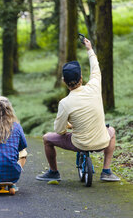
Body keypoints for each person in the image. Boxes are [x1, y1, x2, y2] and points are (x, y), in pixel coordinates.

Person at [36, 38, 120, 182]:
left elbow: (59, 131)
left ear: (64, 81)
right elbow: (95, 68)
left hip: (78, 144)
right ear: (81, 77)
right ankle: (106, 171)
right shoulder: (94, 87)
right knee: (111, 131)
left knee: (47, 139)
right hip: (101, 141)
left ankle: (53, 172)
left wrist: (69, 126)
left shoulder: (65, 103)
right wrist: (89, 49)